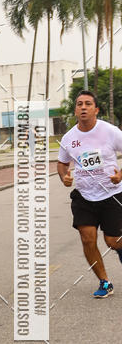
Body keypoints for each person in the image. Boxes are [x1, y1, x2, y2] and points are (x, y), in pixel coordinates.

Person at [58, 89, 122, 297]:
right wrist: (64, 178)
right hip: (84, 195)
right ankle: (104, 282)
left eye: (87, 104)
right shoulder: (69, 138)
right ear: (75, 110)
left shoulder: (110, 131)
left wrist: (120, 174)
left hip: (112, 193)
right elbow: (61, 163)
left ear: (96, 109)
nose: (83, 107)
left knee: (112, 241)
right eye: (79, 104)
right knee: (88, 239)